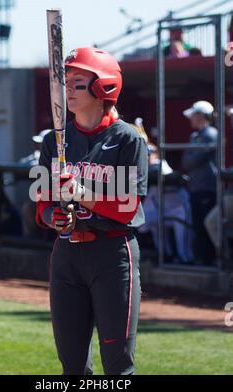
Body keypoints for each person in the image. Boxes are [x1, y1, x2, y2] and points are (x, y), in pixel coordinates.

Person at [35, 47, 148, 375]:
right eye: (65, 81)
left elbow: (129, 208)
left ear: (104, 87)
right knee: (72, 365)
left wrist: (80, 194)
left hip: (112, 256)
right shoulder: (53, 140)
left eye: (78, 82)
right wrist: (54, 219)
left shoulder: (127, 139)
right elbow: (42, 204)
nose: (66, 88)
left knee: (117, 366)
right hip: (67, 256)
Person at [138, 143, 194, 264]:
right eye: (144, 155)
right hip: (161, 210)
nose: (146, 158)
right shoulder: (142, 168)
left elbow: (161, 175)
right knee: (146, 223)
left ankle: (185, 260)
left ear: (156, 155)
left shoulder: (161, 166)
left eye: (149, 155)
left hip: (179, 209)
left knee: (183, 249)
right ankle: (165, 255)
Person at [181, 101, 218, 265]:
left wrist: (190, 157)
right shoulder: (195, 136)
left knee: (206, 224)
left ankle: (210, 260)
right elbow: (186, 160)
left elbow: (190, 161)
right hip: (196, 187)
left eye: (194, 115)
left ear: (201, 116)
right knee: (197, 224)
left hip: (207, 188)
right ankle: (202, 258)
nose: (191, 119)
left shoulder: (211, 133)